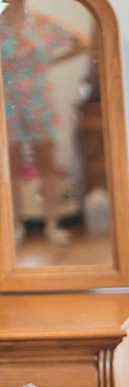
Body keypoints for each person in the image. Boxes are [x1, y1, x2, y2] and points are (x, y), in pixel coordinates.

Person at [1, 0, 89, 246]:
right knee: (11, 166)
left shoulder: (42, 24)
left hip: (39, 101)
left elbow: (82, 41)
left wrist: (51, 63)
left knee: (46, 162)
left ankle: (53, 223)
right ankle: (15, 224)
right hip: (8, 101)